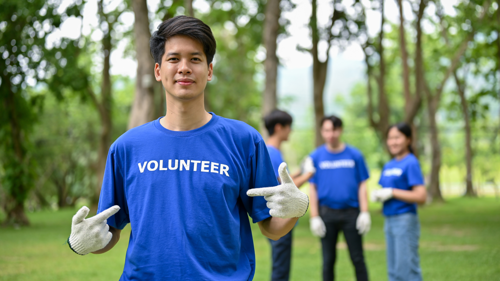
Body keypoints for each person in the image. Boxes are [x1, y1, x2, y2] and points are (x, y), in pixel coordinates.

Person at [66, 16, 309, 281]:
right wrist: (83, 242)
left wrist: (298, 207)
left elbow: (271, 228)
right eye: (173, 59)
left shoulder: (243, 141)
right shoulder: (127, 147)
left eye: (195, 59)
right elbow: (110, 233)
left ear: (210, 70)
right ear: (158, 71)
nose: (184, 68)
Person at [308, 115, 371, 281]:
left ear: (340, 130)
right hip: (327, 214)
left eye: (334, 129)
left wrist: (365, 212)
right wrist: (314, 216)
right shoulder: (315, 157)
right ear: (322, 131)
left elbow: (362, 184)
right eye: (327, 130)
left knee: (357, 258)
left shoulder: (355, 155)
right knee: (328, 260)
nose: (331, 134)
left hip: (352, 214)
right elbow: (312, 188)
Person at [263, 109, 315, 281]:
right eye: (288, 127)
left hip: (280, 216)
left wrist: (301, 170)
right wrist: (308, 175)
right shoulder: (271, 152)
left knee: (281, 267)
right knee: (281, 270)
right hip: (279, 218)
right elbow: (283, 189)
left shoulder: (271, 151)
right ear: (279, 128)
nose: (290, 131)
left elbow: (283, 180)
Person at [371, 123, 427, 281]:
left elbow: (421, 196)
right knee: (394, 273)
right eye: (390, 138)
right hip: (389, 220)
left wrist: (393, 192)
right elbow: (385, 189)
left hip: (405, 220)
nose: (393, 142)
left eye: (397, 137)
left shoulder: (411, 162)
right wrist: (379, 194)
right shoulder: (389, 165)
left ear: (408, 139)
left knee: (407, 270)